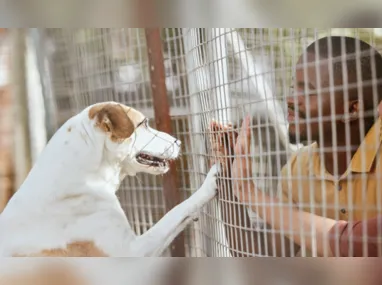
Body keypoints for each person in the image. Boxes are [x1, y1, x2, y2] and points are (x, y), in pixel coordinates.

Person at [211, 35, 382, 257]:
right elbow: (265, 259)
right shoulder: (296, 169)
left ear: (352, 109)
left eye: (309, 92)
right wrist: (229, 177)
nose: (291, 99)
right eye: (294, 88)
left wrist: (249, 192)